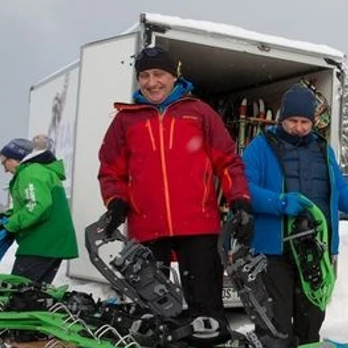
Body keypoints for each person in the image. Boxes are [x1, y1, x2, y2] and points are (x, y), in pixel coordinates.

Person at [98, 46, 252, 325]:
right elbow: (110, 169)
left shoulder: (199, 113)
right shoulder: (126, 120)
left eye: (159, 74)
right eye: (144, 75)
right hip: (146, 229)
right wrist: (116, 201)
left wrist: (239, 198)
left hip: (198, 227)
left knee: (206, 312)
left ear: (174, 77)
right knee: (152, 313)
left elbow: (228, 161)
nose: (152, 82)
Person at [241, 83, 348, 345]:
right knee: (277, 317)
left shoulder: (323, 150)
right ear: (281, 119)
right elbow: (243, 189)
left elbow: (337, 189)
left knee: (311, 316)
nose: (298, 127)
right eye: (292, 121)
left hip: (315, 248)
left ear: (313, 122)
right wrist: (278, 202)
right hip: (275, 250)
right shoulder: (260, 147)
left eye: (304, 122)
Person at [0, 138, 78, 284]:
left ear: (16, 158)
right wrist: (10, 215)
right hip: (50, 242)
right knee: (34, 294)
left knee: (17, 292)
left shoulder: (31, 172)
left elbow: (38, 205)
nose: (4, 169)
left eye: (5, 163)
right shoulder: (38, 171)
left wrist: (11, 224)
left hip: (41, 243)